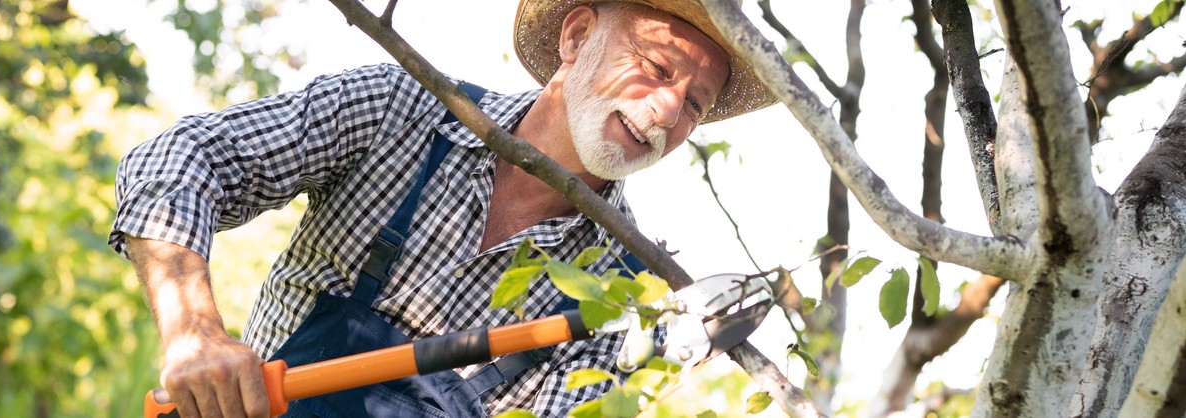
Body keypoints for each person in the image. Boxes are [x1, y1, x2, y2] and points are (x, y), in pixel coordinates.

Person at [110, 0, 774, 416]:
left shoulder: (621, 292)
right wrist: (193, 330)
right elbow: (180, 159)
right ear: (575, 37)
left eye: (695, 104)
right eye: (657, 68)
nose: (666, 112)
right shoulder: (401, 110)